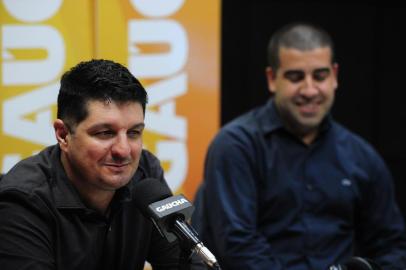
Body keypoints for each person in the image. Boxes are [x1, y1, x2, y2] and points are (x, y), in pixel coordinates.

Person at [191, 22, 406, 270]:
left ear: (335, 76)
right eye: (295, 77)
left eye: (320, 76)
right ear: (272, 79)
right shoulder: (235, 146)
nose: (309, 89)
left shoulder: (362, 157)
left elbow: (392, 245)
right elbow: (238, 245)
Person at [0, 59, 205, 270]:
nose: (124, 151)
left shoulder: (145, 174)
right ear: (63, 135)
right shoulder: (22, 201)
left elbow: (186, 263)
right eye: (105, 133)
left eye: (134, 132)